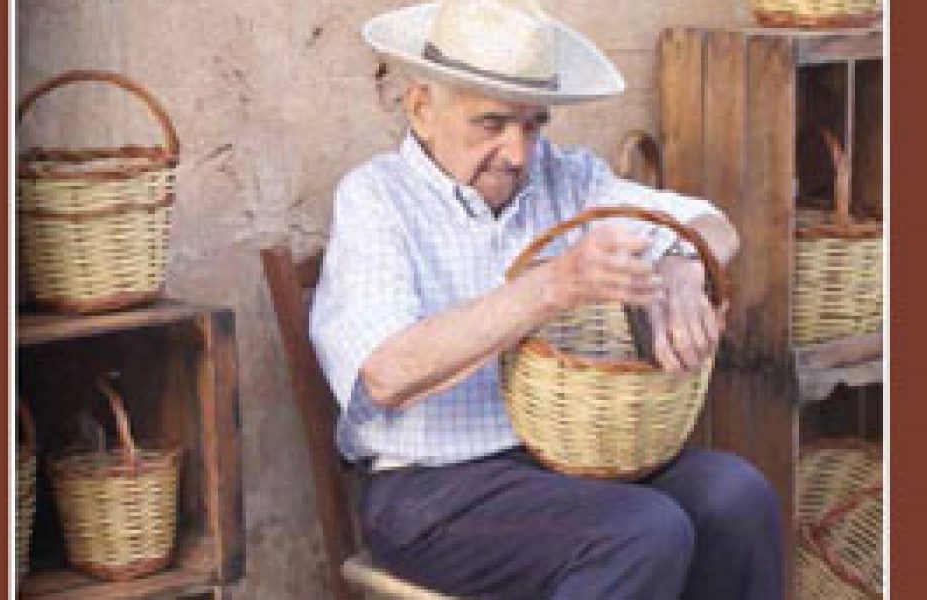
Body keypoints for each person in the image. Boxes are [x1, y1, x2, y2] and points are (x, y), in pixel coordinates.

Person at [310, 1, 782, 598]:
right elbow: (386, 371)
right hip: (431, 491)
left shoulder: (565, 178)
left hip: (563, 467)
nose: (518, 153)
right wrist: (551, 286)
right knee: (641, 532)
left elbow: (714, 226)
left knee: (735, 497)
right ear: (421, 108)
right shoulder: (376, 199)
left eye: (533, 125)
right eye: (491, 124)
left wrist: (683, 264)